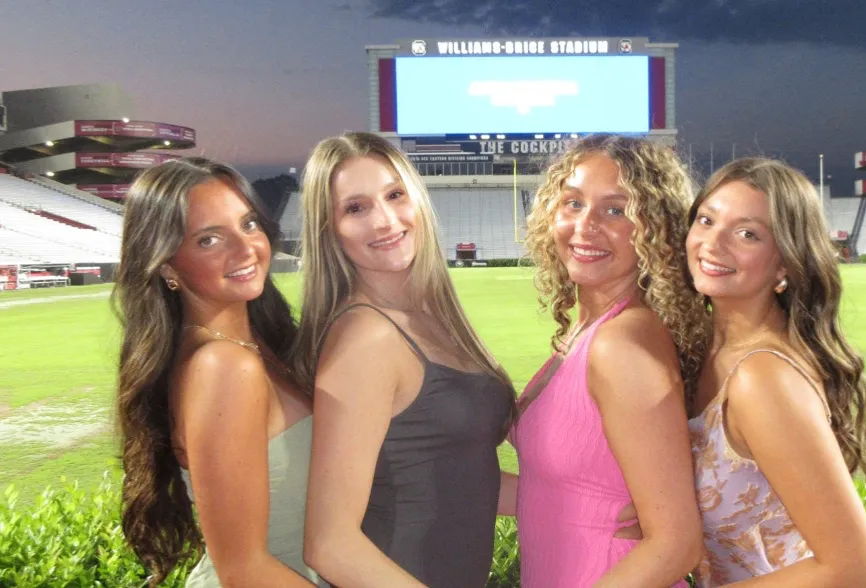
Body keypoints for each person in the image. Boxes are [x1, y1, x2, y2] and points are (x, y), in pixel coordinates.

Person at [295, 132, 515, 587]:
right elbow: (329, 543)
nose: (385, 220)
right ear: (329, 229)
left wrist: (600, 505)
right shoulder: (366, 337)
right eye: (356, 208)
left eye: (395, 195)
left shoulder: (431, 318)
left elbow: (462, 481)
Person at [114, 158, 320, 587]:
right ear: (167, 266)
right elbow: (243, 570)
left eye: (248, 224)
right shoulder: (223, 366)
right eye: (209, 240)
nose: (246, 250)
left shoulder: (262, 344)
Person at [513, 134, 707, 587]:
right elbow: (558, 493)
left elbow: (677, 543)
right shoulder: (589, 331)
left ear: (655, 229)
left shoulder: (621, 343)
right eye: (573, 203)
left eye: (616, 210)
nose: (586, 225)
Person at [684, 157, 866, 587]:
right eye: (706, 220)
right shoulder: (707, 350)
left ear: (785, 266)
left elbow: (857, 572)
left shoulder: (762, 377)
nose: (712, 243)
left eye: (747, 234)